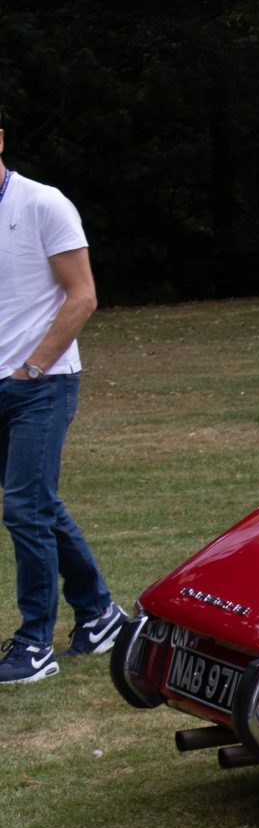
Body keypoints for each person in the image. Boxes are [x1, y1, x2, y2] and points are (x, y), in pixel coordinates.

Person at [0, 124, 122, 686]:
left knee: (25, 509)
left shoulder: (43, 203)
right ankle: (99, 615)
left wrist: (31, 367)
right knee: (40, 504)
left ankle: (33, 646)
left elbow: (83, 295)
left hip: (41, 385)